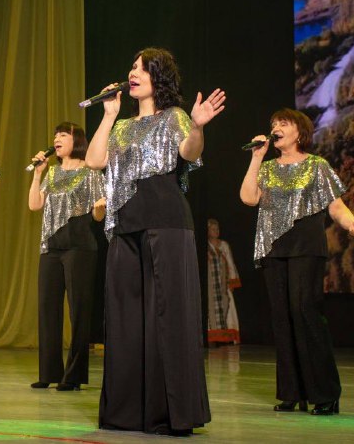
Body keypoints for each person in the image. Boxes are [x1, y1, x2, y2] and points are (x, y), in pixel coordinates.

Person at [85, 47, 223, 435]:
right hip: (126, 224)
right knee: (126, 317)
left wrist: (198, 127)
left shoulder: (174, 117)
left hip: (166, 221)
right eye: (131, 67)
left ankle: (170, 412)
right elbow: (95, 161)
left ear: (157, 77)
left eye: (141, 69)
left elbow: (187, 153)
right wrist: (108, 114)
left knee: (167, 315)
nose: (132, 73)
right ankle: (127, 411)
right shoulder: (121, 126)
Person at [240, 108, 354, 416]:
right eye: (273, 123)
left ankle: (326, 393)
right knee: (282, 318)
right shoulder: (267, 168)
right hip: (274, 248)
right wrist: (256, 158)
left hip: (306, 247)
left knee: (304, 312)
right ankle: (291, 392)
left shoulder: (316, 165)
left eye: (283, 123)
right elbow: (248, 198)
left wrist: (350, 222)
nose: (276, 127)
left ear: (300, 132)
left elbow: (335, 206)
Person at [27, 122, 106, 392]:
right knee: (47, 308)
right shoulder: (51, 173)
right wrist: (37, 174)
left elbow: (98, 215)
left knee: (79, 311)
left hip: (80, 246)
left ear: (77, 141)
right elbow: (34, 205)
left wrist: (100, 209)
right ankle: (48, 372)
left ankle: (73, 376)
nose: (56, 139)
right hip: (51, 247)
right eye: (55, 135)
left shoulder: (90, 171)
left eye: (63, 135)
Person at [207, 218, 241, 346]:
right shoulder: (205, 246)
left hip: (223, 283)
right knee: (211, 310)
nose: (216, 231)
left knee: (227, 307)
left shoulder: (224, 245)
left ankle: (226, 338)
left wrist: (232, 281)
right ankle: (212, 337)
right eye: (213, 229)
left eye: (217, 229)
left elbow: (231, 264)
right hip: (210, 285)